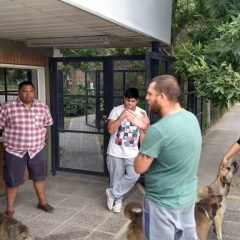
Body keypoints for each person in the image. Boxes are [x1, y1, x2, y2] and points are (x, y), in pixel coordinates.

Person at [126, 75, 202, 240]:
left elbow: (139, 167)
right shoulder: (191, 118)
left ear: (162, 97)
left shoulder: (159, 130)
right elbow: (169, 143)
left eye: (150, 94)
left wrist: (144, 131)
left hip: (162, 205)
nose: (146, 98)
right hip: (187, 200)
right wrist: (146, 128)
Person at [0, 81, 54, 217]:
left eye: (31, 91)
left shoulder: (42, 107)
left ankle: (42, 203)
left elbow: (46, 124)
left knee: (40, 177)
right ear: (19, 92)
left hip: (37, 150)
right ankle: (10, 209)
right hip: (14, 151)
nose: (28, 94)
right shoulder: (7, 107)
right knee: (12, 181)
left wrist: (40, 138)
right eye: (25, 91)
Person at [106, 87, 145, 213]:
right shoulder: (116, 111)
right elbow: (110, 130)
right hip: (115, 152)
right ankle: (117, 201)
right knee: (115, 178)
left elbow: (142, 133)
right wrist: (122, 117)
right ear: (124, 99)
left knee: (134, 175)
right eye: (128, 100)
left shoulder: (141, 113)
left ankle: (112, 194)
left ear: (137, 101)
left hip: (132, 153)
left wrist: (143, 151)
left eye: (133, 101)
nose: (130, 103)